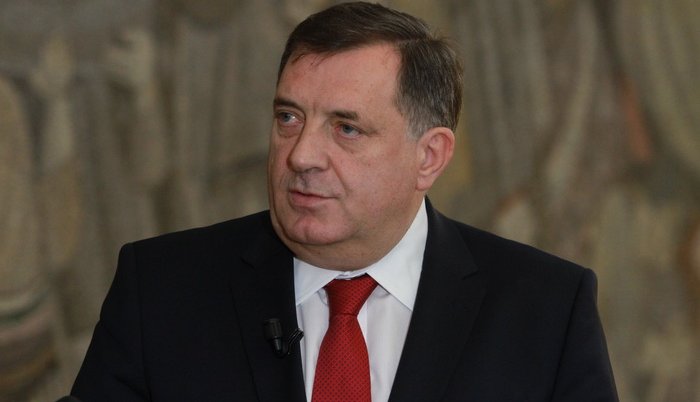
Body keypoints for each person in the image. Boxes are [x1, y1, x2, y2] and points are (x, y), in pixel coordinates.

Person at [70, 2, 618, 401]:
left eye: (347, 128)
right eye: (289, 118)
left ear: (429, 156)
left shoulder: (547, 310)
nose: (301, 155)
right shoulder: (160, 289)